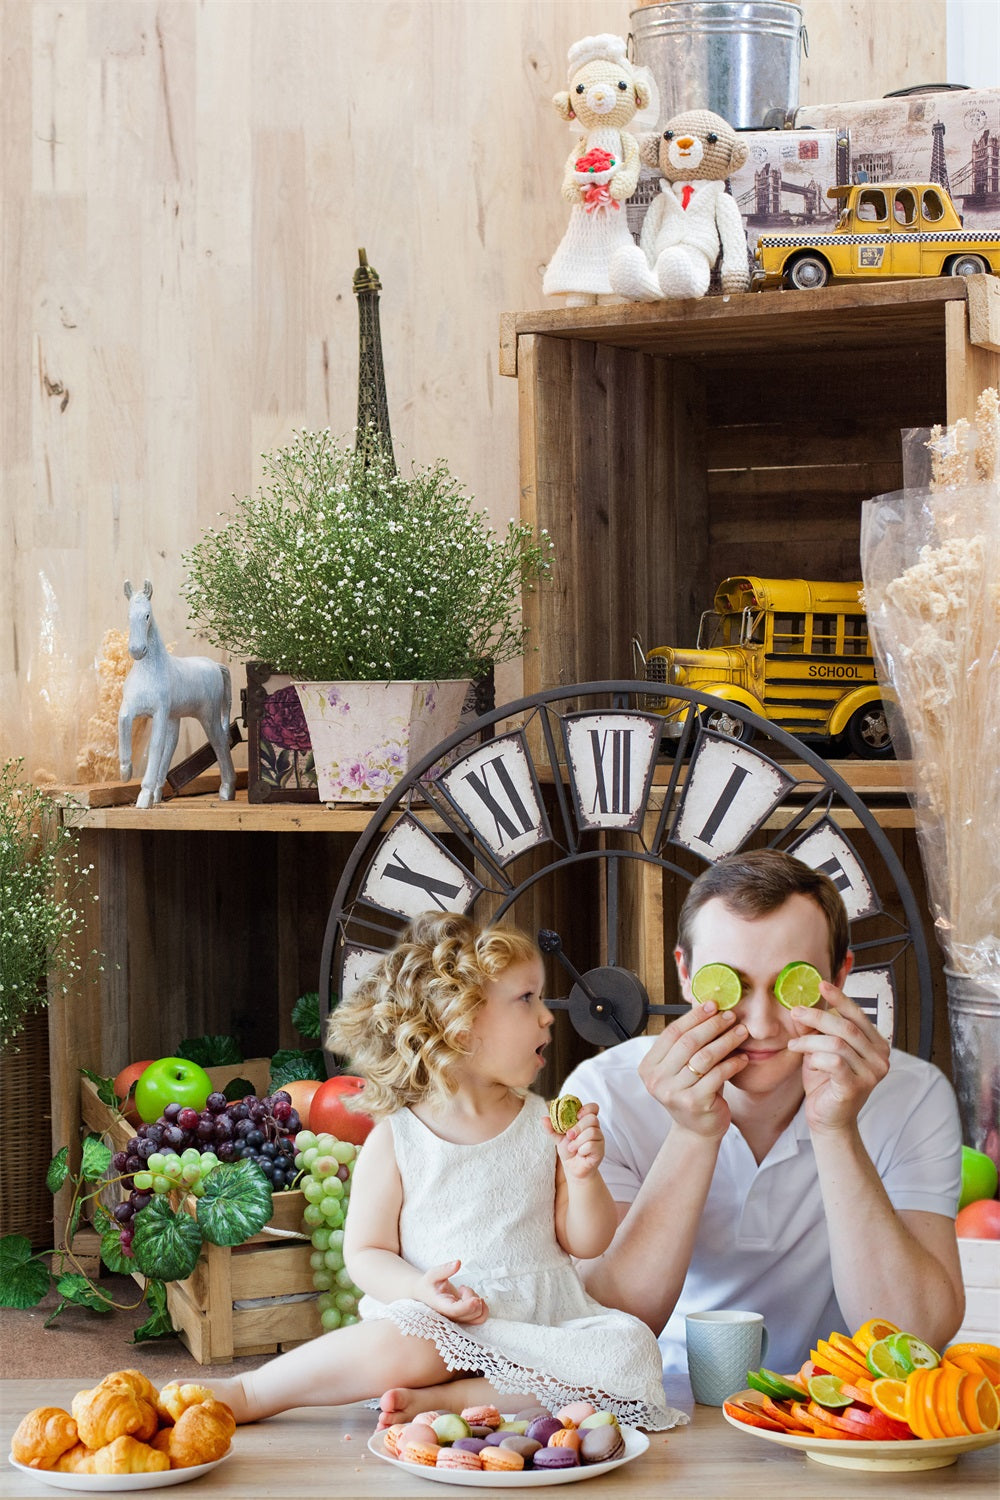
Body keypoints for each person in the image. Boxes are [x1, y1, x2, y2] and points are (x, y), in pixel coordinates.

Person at [210, 912, 683, 1431]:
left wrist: (584, 1174)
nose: (547, 1017)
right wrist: (420, 1291)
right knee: (403, 1341)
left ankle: (455, 1399)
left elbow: (588, 1242)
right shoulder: (399, 1137)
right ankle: (253, 1391)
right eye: (526, 999)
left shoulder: (544, 1126)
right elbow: (366, 1253)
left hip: (539, 1327)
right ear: (461, 1028)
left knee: (631, 1352)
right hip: (440, 1322)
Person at [562, 849, 965, 1380]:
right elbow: (602, 1325)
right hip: (656, 1399)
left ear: (841, 974)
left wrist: (836, 1129)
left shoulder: (912, 1095)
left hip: (828, 1404)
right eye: (733, 984)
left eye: (789, 986)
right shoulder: (606, 1092)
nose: (761, 1026)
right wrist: (693, 1134)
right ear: (685, 972)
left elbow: (916, 1335)